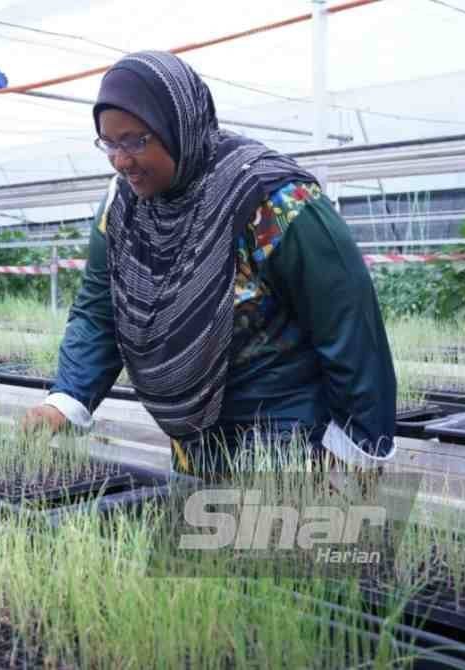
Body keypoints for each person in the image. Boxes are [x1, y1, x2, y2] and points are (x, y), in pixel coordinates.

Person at [23, 51, 397, 477]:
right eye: (110, 143)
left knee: (275, 535)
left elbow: (350, 325)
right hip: (192, 431)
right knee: (203, 535)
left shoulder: (274, 201)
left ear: (178, 126)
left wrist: (356, 446)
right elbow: (99, 309)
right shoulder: (123, 207)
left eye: (137, 140)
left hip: (285, 431)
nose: (121, 159)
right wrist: (66, 400)